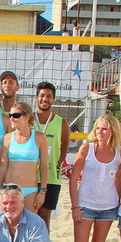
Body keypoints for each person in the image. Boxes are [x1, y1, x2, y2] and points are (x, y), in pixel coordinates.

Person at [65, 114, 121, 242]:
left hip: (108, 207)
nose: (100, 132)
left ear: (112, 131)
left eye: (104, 129)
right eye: (98, 128)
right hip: (86, 205)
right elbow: (74, 178)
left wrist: (118, 203)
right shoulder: (87, 148)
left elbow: (120, 179)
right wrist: (75, 205)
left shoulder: (120, 151)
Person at [0, 103, 48, 211]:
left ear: (26, 116)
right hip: (9, 189)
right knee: (9, 225)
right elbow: (3, 166)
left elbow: (44, 167)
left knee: (29, 225)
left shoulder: (39, 137)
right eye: (10, 115)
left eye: (16, 115)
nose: (11, 118)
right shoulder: (7, 138)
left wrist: (42, 191)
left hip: (30, 190)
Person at [33, 81, 70, 230]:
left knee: (44, 218)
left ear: (53, 99)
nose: (45, 99)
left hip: (51, 178)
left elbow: (63, 150)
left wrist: (51, 164)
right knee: (28, 216)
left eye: (49, 96)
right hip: (29, 176)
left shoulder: (62, 123)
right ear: (36, 97)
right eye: (42, 95)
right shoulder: (27, 119)